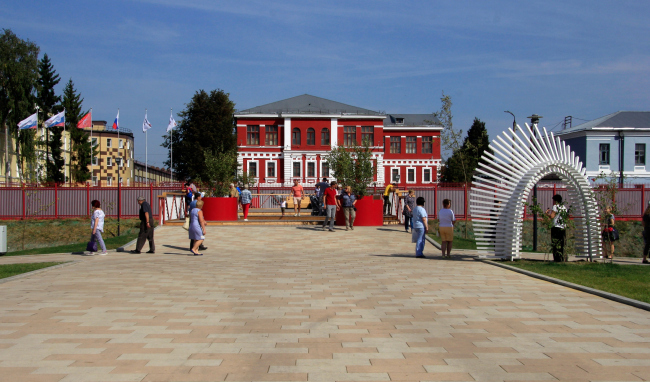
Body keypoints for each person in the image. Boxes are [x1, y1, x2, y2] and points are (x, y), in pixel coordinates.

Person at [545, 194, 566, 262]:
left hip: (556, 226)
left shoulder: (555, 206)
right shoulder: (564, 207)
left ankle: (556, 258)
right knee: (561, 243)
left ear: (555, 200)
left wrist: (547, 214)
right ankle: (561, 257)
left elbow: (552, 216)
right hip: (562, 227)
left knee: (555, 243)